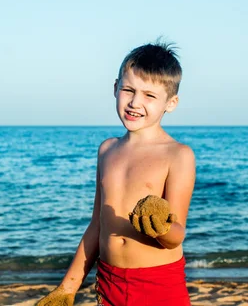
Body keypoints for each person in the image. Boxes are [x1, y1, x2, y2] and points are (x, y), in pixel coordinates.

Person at [35, 41, 196, 306]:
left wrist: (162, 227)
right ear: (115, 88)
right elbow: (97, 224)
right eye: (128, 89)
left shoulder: (177, 155)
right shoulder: (107, 150)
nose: (135, 102)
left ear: (171, 103)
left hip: (158, 283)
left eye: (149, 95)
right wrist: (67, 288)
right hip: (109, 282)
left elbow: (177, 235)